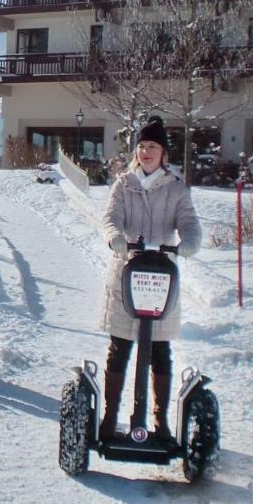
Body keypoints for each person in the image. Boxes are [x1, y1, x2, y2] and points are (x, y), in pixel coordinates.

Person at [98, 116, 202, 442]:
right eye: (142, 146)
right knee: (120, 348)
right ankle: (109, 418)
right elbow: (110, 217)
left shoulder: (175, 188)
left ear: (163, 153)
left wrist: (189, 243)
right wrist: (114, 236)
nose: (145, 152)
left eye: (152, 146)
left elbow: (189, 222)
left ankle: (160, 424)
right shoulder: (123, 184)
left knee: (160, 351)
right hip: (127, 275)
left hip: (160, 281)